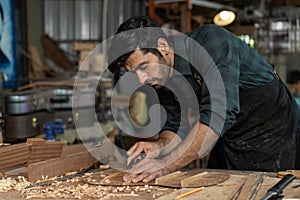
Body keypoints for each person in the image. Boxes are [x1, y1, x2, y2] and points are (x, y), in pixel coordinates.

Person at [108, 16, 300, 183]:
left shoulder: (211, 42)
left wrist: (166, 164)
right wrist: (159, 147)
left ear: (162, 46)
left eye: (144, 67)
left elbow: (219, 112)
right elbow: (176, 125)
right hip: (228, 134)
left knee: (264, 188)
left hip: (270, 126)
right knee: (218, 184)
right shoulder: (160, 77)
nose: (142, 80)